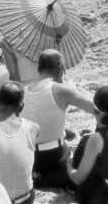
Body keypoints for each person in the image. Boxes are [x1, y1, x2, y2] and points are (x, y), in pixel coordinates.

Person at [20, 50, 96, 189]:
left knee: (66, 134)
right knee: (85, 143)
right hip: (53, 157)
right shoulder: (60, 90)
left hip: (29, 157)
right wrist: (80, 92)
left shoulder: (23, 91)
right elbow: (94, 108)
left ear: (39, 68)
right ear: (60, 68)